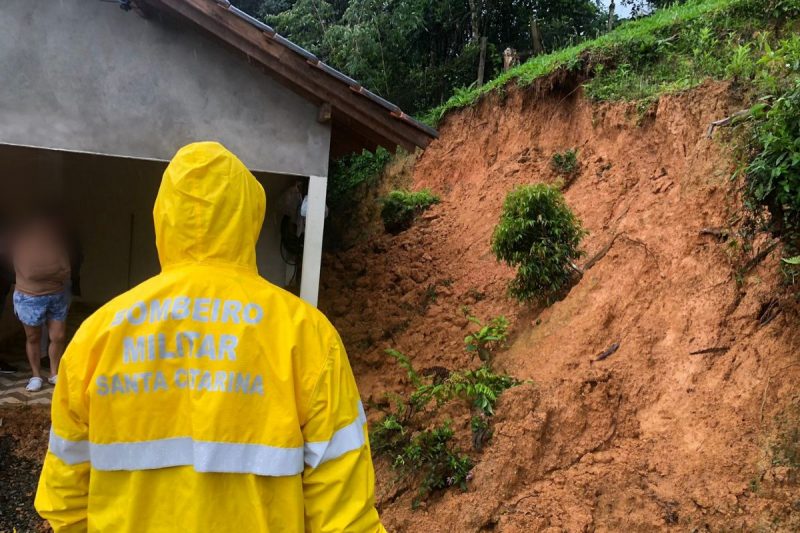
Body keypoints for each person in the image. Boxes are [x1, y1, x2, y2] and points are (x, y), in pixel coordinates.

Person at [35, 142, 385, 532]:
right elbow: (345, 515)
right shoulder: (307, 335)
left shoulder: (97, 336)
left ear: (163, 218)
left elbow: (65, 503)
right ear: (248, 217)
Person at [11, 214, 71, 391]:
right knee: (33, 337)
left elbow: (66, 271)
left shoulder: (57, 245)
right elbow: (30, 273)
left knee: (58, 336)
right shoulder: (22, 246)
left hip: (57, 296)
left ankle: (54, 373)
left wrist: (43, 272)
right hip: (29, 298)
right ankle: (36, 376)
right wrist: (53, 271)